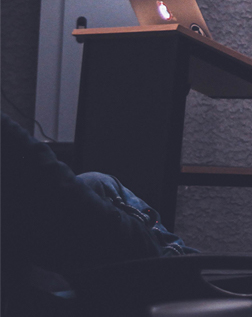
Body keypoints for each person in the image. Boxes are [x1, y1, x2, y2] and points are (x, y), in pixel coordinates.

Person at [1, 112, 196, 314]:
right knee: (98, 181)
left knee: (94, 182)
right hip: (135, 270)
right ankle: (192, 269)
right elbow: (59, 189)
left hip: (49, 261)